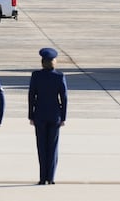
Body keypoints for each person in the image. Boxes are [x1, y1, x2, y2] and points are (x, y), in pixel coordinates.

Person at [28, 47, 68, 185]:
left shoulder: (36, 76)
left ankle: (42, 178)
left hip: (39, 114)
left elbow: (31, 96)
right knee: (52, 147)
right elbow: (64, 98)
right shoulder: (59, 76)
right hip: (54, 115)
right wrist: (63, 117)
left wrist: (31, 115)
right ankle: (50, 178)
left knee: (41, 147)